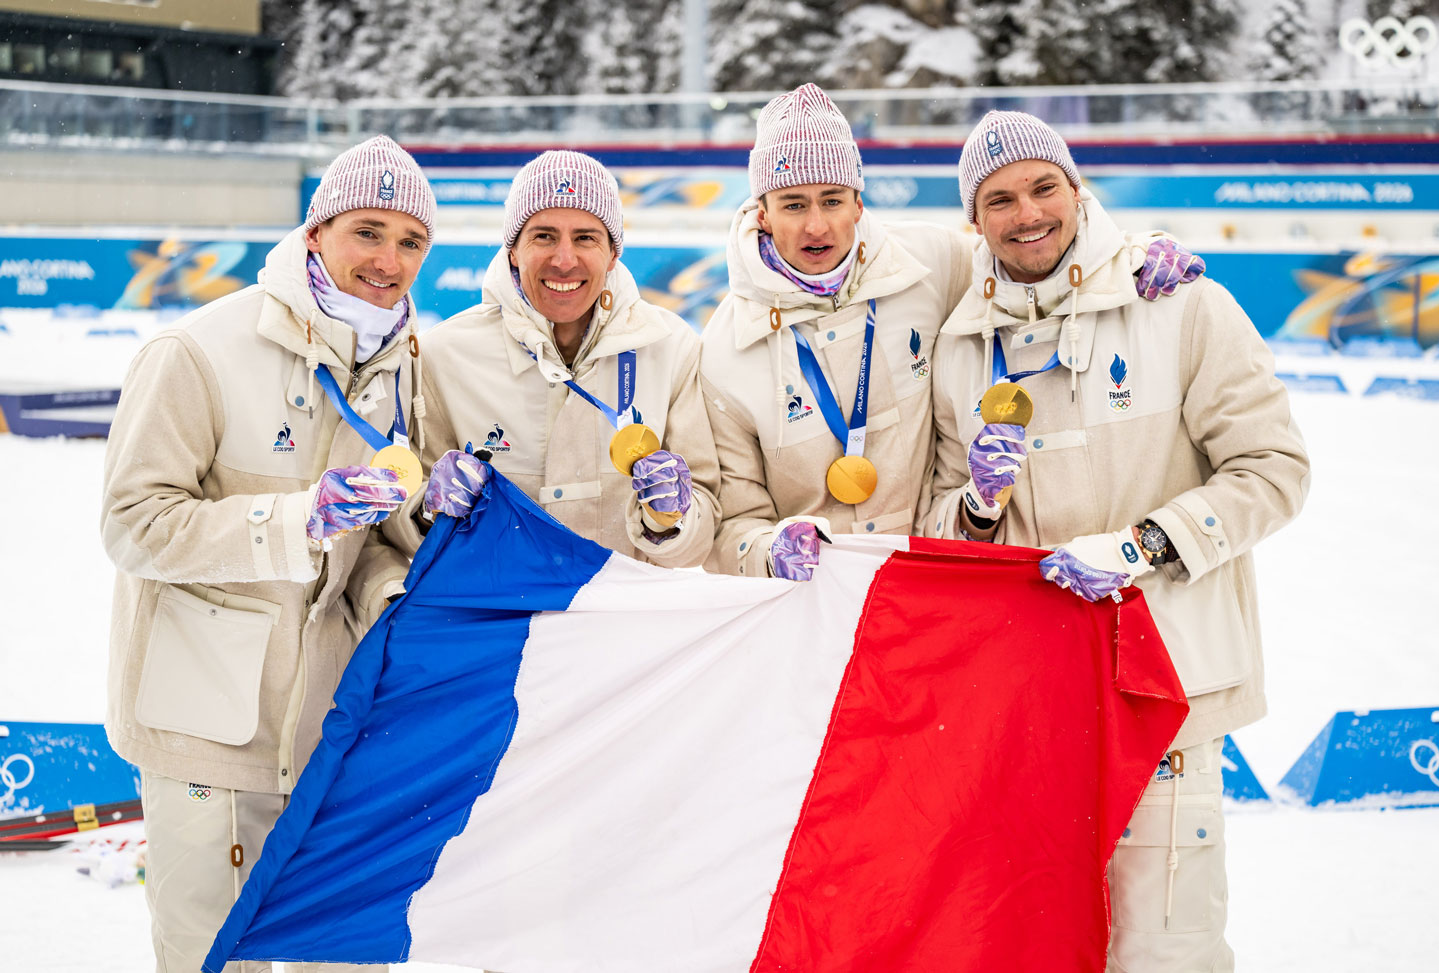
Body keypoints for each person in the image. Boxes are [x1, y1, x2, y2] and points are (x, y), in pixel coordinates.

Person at [923, 110, 1310, 970]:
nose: (1028, 213)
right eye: (999, 199)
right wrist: (976, 508)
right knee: (1041, 943)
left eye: (1043, 187)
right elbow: (940, 528)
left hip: (1167, 691)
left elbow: (1274, 469)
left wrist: (1142, 547)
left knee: (1167, 948)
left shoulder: (1180, 302)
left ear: (1077, 187)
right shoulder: (957, 347)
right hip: (1029, 700)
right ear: (972, 220)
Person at [101, 134, 437, 973]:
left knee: (342, 955)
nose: (388, 260)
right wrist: (292, 521)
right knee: (213, 957)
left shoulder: (402, 371)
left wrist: (395, 594)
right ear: (316, 232)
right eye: (368, 231)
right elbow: (133, 524)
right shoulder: (198, 352)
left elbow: (373, 550)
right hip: (205, 730)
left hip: (327, 729)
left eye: (410, 241)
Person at [699, 83, 1202, 581]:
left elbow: (1027, 254)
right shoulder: (726, 347)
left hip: (929, 588)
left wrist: (1129, 255)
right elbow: (729, 526)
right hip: (815, 603)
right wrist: (765, 552)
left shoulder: (930, 263)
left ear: (858, 203)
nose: (816, 226)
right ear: (763, 213)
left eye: (832, 200)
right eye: (793, 205)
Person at [395, 150, 719, 566]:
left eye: (585, 238)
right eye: (544, 236)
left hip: (632, 606)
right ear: (513, 250)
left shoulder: (670, 347)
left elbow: (706, 528)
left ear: (613, 253)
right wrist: (427, 513)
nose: (564, 261)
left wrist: (670, 521)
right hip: (498, 607)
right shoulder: (444, 355)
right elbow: (402, 526)